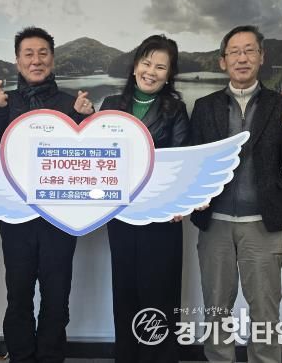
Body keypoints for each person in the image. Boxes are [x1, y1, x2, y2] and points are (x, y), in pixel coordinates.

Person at [190, 25, 282, 362]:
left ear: (261, 56)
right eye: (234, 52)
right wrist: (193, 195)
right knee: (216, 311)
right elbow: (195, 160)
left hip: (263, 223)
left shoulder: (280, 105)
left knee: (265, 314)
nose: (242, 58)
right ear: (223, 61)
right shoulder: (205, 106)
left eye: (249, 50)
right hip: (215, 224)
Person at [0, 26, 94, 363]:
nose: (36, 60)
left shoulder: (71, 102)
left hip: (60, 217)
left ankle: (50, 356)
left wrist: (86, 118)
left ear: (53, 59)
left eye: (43, 53)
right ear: (17, 61)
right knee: (18, 294)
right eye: (28, 54)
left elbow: (87, 159)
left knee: (56, 295)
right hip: (16, 215)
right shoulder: (5, 101)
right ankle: (20, 356)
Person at [100, 34, 190, 363]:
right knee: (125, 292)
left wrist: (178, 202)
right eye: (146, 63)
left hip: (161, 218)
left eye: (160, 67)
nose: (151, 72)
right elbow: (98, 157)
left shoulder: (175, 109)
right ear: (135, 65)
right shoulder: (111, 105)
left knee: (159, 296)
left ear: (169, 74)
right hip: (121, 216)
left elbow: (180, 161)